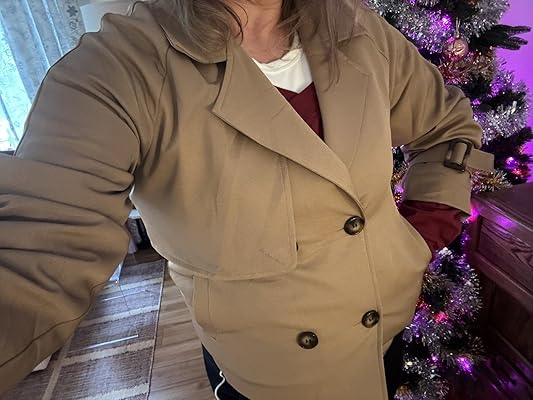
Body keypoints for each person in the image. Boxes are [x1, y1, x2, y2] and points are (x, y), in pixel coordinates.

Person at [0, 0, 494, 399]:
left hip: (382, 334)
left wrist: (418, 238)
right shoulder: (118, 70)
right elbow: (42, 245)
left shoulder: (358, 30)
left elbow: (448, 128)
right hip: (267, 375)